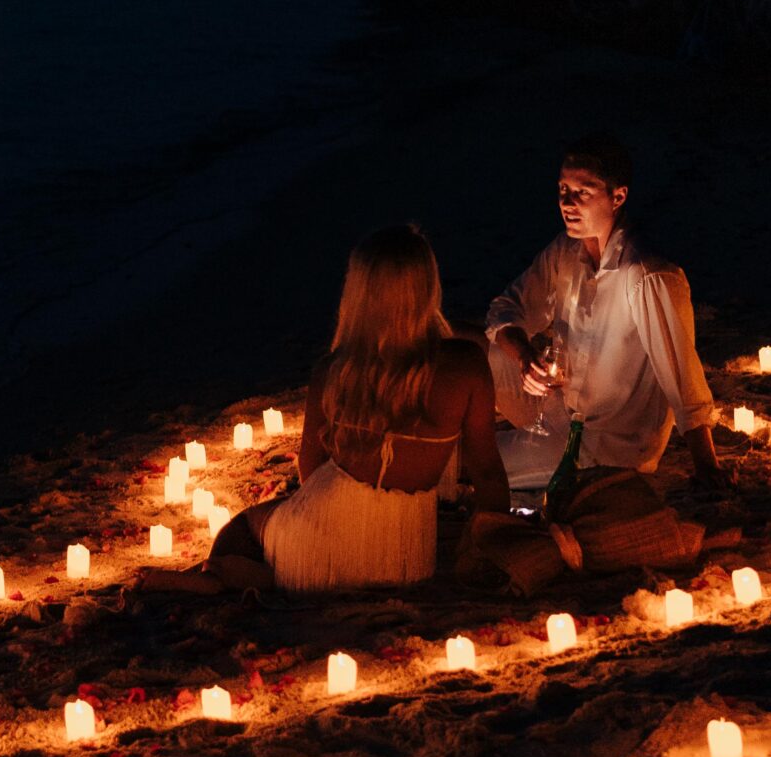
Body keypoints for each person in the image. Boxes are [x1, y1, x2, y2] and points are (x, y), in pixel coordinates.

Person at [198, 224, 510, 592]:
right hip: (406, 560)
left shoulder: (335, 369)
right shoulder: (466, 365)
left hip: (317, 552)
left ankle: (235, 580)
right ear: (428, 286)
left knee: (242, 529)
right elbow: (488, 473)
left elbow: (310, 469)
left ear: (358, 293)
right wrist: (494, 546)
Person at [487, 132, 723, 511]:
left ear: (618, 196)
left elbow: (683, 380)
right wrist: (523, 355)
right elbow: (506, 309)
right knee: (470, 352)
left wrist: (706, 465)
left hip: (604, 446)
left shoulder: (645, 274)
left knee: (474, 465)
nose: (567, 202)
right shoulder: (565, 251)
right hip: (558, 408)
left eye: (584, 191)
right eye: (563, 188)